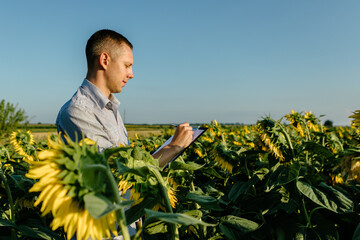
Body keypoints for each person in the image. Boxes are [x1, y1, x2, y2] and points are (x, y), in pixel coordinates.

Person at [56, 29, 193, 167]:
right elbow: (116, 171)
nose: (131, 74)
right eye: (127, 65)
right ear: (104, 60)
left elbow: (126, 167)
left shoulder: (109, 106)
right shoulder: (78, 111)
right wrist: (174, 147)